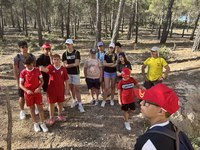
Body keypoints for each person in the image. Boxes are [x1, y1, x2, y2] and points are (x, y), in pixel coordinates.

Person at [134, 83, 193, 150]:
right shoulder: (179, 134)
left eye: (146, 102)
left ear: (161, 111)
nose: (141, 103)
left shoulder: (148, 143)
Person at [19, 56, 48, 132]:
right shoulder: (23, 72)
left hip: (37, 92)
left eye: (31, 64)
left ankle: (42, 123)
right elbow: (20, 84)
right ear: (24, 64)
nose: (29, 66)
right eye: (27, 65)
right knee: (31, 109)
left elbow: (42, 81)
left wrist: (39, 88)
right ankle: (35, 123)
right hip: (28, 93)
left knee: (40, 108)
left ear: (33, 64)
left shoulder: (37, 71)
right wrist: (26, 90)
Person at [40, 54, 69, 125]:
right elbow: (45, 69)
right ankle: (51, 117)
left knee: (60, 103)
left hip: (60, 89)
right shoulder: (51, 67)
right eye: (54, 59)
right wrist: (41, 68)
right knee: (51, 104)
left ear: (60, 60)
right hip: (51, 90)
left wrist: (67, 88)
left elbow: (66, 80)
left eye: (57, 59)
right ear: (52, 61)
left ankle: (60, 115)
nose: (56, 61)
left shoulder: (63, 69)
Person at [13, 40, 36, 120]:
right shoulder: (17, 58)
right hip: (22, 80)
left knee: (34, 94)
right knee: (21, 96)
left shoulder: (32, 57)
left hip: (32, 80)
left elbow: (35, 68)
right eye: (23, 47)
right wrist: (17, 81)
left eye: (26, 47)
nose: (25, 48)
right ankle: (22, 111)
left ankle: (34, 107)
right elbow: (15, 70)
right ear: (20, 48)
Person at [62, 39, 85, 113]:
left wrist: (69, 65)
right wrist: (72, 65)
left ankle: (80, 104)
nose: (67, 46)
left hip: (76, 73)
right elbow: (65, 65)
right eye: (66, 44)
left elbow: (77, 64)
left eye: (68, 44)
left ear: (72, 44)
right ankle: (74, 100)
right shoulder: (64, 54)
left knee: (77, 89)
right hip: (68, 74)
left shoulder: (76, 52)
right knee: (71, 88)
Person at [101, 43, 117, 107]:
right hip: (106, 72)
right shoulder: (106, 54)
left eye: (112, 48)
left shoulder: (115, 55)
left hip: (113, 72)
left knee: (113, 86)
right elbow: (104, 64)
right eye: (110, 47)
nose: (111, 49)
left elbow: (116, 64)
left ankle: (112, 99)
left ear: (114, 48)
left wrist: (109, 64)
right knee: (106, 87)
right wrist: (111, 64)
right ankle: (104, 100)